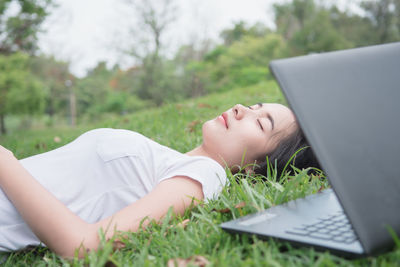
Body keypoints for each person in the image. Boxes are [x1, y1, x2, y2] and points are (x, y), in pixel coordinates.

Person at [0, 103, 319, 258]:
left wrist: (6, 162)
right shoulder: (173, 162)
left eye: (260, 123)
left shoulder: (206, 175)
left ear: (257, 168)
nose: (240, 109)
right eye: (252, 106)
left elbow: (83, 246)